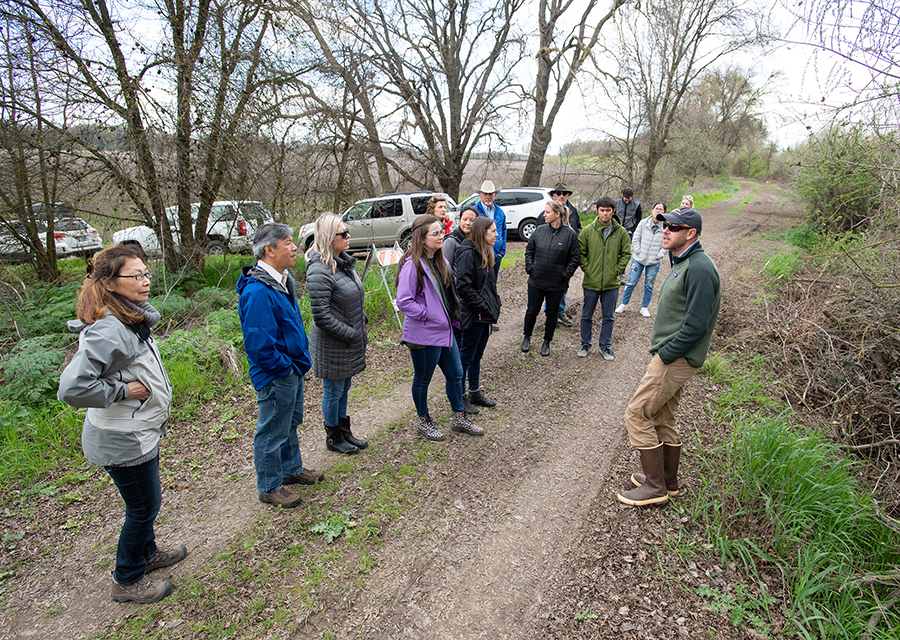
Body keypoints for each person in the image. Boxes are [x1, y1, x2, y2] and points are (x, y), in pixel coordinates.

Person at [58, 245, 185, 604]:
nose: (145, 281)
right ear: (111, 283)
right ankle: (126, 579)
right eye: (136, 276)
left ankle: (147, 554)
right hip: (121, 437)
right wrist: (121, 389)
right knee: (144, 507)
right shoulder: (109, 329)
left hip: (137, 430)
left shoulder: (128, 317)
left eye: (146, 273)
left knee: (145, 502)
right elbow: (71, 388)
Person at [616, 207, 721, 507]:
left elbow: (696, 325)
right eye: (665, 225)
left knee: (636, 413)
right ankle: (667, 480)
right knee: (662, 414)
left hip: (676, 358)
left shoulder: (699, 268)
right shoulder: (685, 261)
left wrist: (666, 353)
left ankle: (654, 487)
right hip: (676, 356)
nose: (666, 230)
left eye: (674, 227)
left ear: (691, 233)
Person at [237, 223, 324, 510]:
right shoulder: (258, 290)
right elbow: (259, 345)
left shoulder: (283, 279)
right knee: (273, 428)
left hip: (293, 368)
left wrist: (297, 363)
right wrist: (284, 367)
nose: (295, 247)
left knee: (289, 423)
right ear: (269, 250)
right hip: (277, 373)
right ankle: (270, 486)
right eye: (288, 243)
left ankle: (291, 469)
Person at [396, 214, 483, 441]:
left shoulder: (441, 261)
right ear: (421, 239)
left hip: (446, 331)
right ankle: (423, 421)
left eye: (441, 231)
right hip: (424, 334)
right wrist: (428, 315)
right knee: (423, 380)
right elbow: (404, 301)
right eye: (435, 233)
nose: (441, 235)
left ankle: (459, 417)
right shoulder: (411, 265)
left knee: (455, 374)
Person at [306, 213, 368, 456]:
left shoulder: (342, 262)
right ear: (330, 238)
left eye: (347, 231)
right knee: (333, 391)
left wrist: (359, 326)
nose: (348, 236)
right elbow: (321, 316)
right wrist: (351, 333)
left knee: (345, 386)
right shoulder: (319, 271)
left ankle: (344, 431)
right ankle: (333, 436)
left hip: (347, 341)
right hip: (333, 343)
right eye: (343, 233)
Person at [455, 216, 501, 414]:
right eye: (493, 231)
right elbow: (464, 287)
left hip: (485, 315)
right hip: (474, 315)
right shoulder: (467, 254)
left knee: (477, 356)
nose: (497, 234)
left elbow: (489, 285)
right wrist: (482, 306)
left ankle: (474, 392)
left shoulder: (487, 253)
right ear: (483, 233)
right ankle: (461, 397)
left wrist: (494, 304)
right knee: (466, 357)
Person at [521, 200, 580, 357]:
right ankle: (527, 337)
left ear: (557, 214)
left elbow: (575, 258)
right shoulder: (539, 231)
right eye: (544, 211)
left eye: (547, 212)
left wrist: (564, 275)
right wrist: (530, 268)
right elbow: (529, 251)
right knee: (532, 310)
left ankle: (547, 341)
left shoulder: (569, 234)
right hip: (536, 281)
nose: (544, 215)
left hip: (556, 284)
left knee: (552, 313)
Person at [577, 196, 632, 360]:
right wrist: (588, 270)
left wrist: (616, 270)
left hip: (611, 283)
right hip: (591, 282)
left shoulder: (620, 232)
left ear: (613, 211)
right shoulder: (587, 231)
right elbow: (581, 254)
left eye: (608, 210)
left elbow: (626, 253)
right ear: (597, 211)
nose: (605, 214)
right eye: (602, 210)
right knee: (587, 315)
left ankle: (605, 346)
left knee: (608, 317)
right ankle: (585, 344)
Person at [536, 182, 581, 327]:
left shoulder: (573, 212)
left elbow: (577, 229)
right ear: (553, 195)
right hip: (547, 262)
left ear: (568, 196)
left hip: (565, 260)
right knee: (547, 290)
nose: (562, 196)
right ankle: (550, 316)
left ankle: (559, 312)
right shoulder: (543, 215)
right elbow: (536, 239)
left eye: (565, 194)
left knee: (563, 287)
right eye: (558, 193)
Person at [616, 202, 667, 317]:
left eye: (661, 210)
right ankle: (623, 304)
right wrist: (638, 251)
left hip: (653, 261)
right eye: (656, 209)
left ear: (664, 213)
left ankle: (644, 307)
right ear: (652, 210)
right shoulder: (644, 223)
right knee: (631, 282)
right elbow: (636, 238)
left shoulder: (665, 227)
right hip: (639, 259)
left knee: (649, 285)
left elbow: (666, 244)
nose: (658, 211)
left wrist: (659, 255)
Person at [473, 180, 506, 279]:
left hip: (496, 255)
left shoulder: (500, 212)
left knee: (493, 282)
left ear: (495, 195)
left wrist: (502, 252)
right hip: (480, 254)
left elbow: (503, 231)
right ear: (480, 195)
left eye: (491, 194)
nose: (488, 196)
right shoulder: (474, 211)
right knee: (481, 282)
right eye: (485, 194)